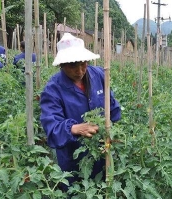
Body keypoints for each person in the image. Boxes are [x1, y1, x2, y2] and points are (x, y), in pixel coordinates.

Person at [40, 33, 121, 191]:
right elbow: (51, 128)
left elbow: (112, 106)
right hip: (73, 160)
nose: (80, 70)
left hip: (103, 154)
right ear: (62, 65)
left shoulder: (98, 75)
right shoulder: (53, 89)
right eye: (73, 65)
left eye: (83, 63)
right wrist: (74, 128)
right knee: (76, 191)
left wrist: (116, 131)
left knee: (103, 189)